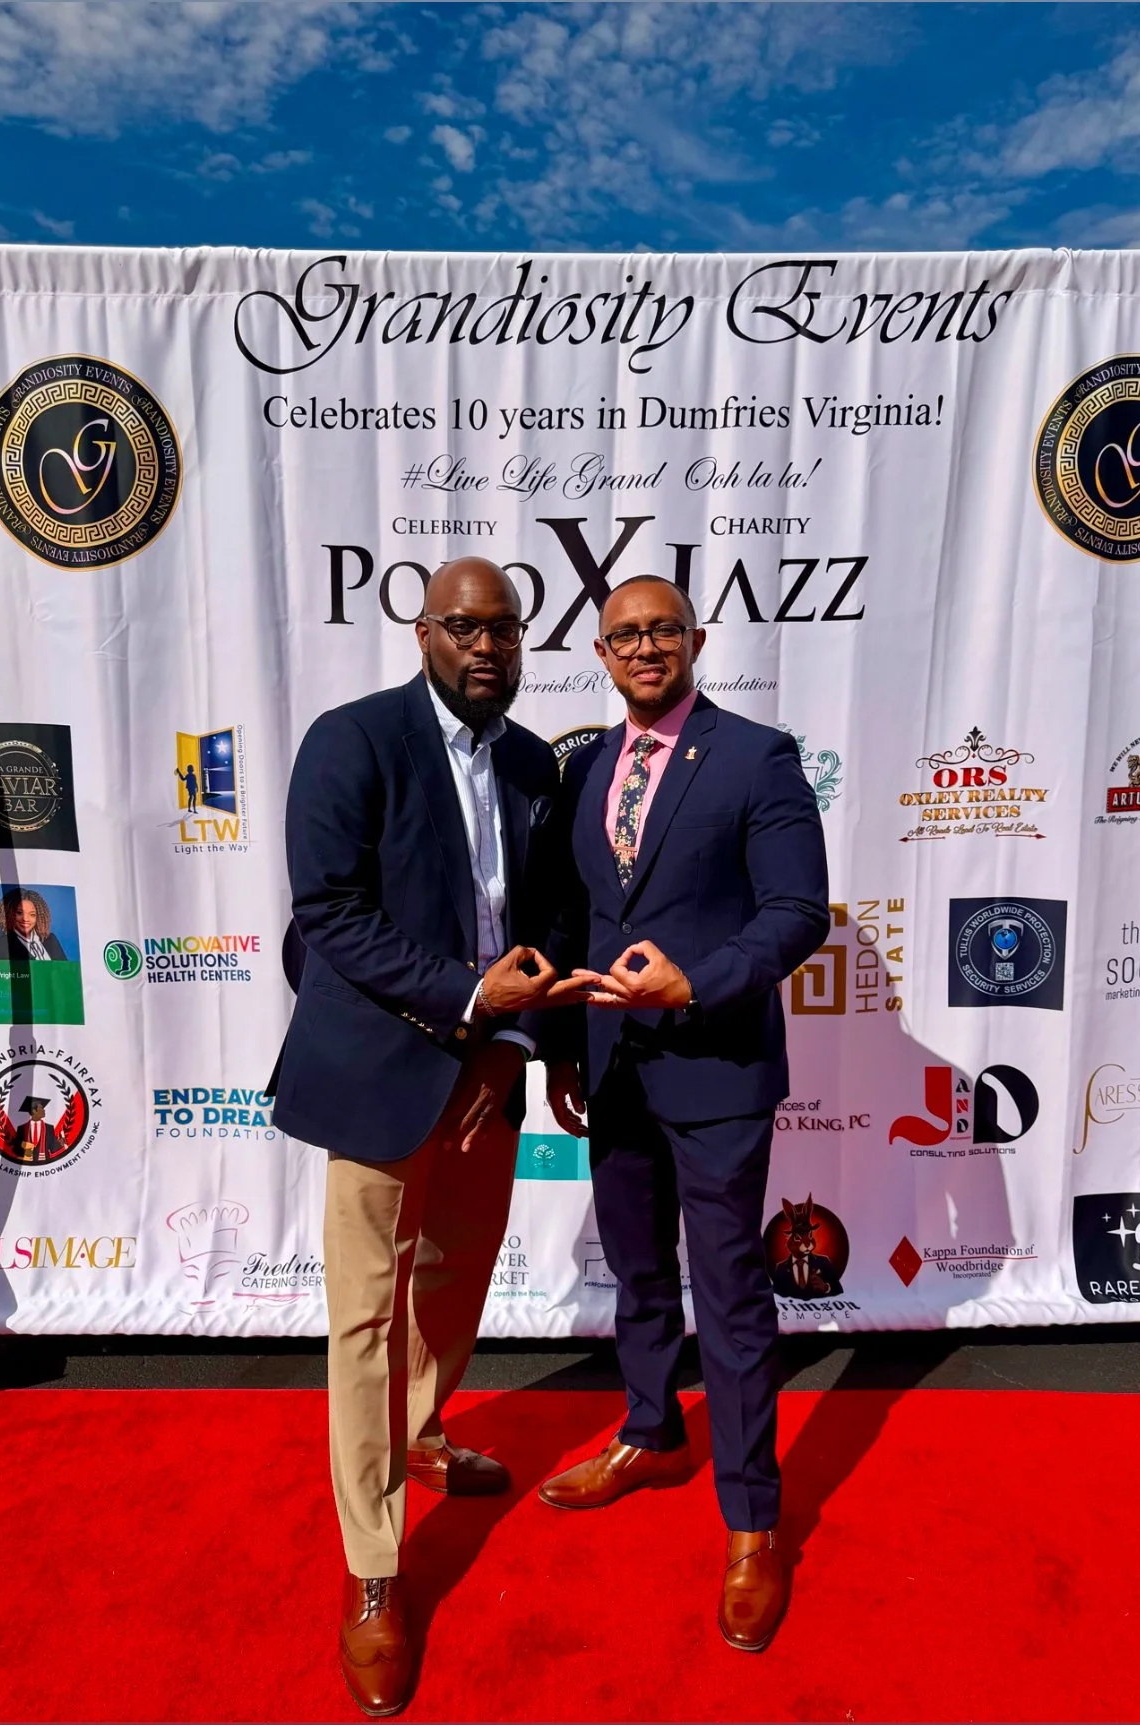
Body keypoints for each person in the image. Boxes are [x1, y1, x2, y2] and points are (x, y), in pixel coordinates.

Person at [269, 557, 575, 1718]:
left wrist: (511, 1042)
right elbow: (330, 915)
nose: (487, 647)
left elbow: (544, 920)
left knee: (451, 1285)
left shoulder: (537, 762)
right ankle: (374, 1568)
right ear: (423, 631)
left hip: (487, 1069)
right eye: (464, 627)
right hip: (378, 1064)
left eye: (504, 629)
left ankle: (422, 1435)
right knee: (363, 1317)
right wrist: (467, 998)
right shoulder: (352, 742)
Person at [537, 575, 830, 1653]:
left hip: (714, 1066)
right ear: (602, 655)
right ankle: (653, 1432)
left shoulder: (758, 756)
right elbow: (576, 917)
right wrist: (567, 1046)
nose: (644, 648)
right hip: (614, 1069)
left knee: (731, 1295)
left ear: (695, 640)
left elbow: (798, 912)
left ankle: (753, 1520)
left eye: (662, 629)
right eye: (624, 636)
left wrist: (697, 981)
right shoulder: (583, 769)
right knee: (638, 1274)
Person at [0, 889, 67, 961]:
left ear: (38, 917)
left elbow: (66, 972)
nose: (25, 919)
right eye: (19, 913)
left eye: (32, 914)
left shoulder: (51, 939)